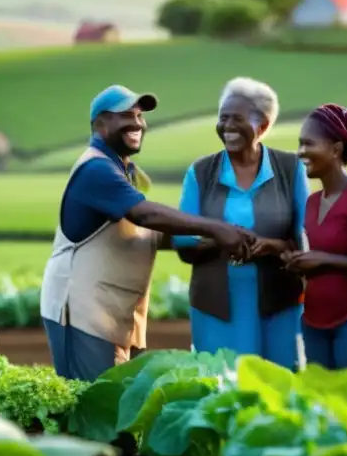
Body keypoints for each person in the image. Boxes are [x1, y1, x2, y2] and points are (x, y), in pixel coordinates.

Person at [40, 84, 256, 382]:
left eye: (140, 115)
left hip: (114, 305)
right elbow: (146, 214)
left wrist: (213, 241)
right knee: (93, 401)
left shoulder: (125, 172)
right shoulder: (96, 170)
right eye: (126, 115)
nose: (137, 123)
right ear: (100, 124)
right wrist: (217, 228)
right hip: (81, 308)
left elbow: (145, 232)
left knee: (118, 399)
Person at [175, 77, 309, 369]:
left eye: (237, 118)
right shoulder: (201, 172)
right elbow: (183, 243)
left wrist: (273, 246)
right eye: (223, 118)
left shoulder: (290, 169)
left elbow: (305, 241)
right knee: (219, 387)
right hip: (216, 307)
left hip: (280, 306)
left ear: (262, 126)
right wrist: (221, 240)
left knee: (278, 386)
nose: (227, 126)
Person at [281, 104, 347, 395]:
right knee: (322, 400)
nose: (301, 151)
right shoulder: (312, 202)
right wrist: (298, 261)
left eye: (308, 143)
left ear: (336, 149)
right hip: (314, 317)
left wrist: (324, 261)